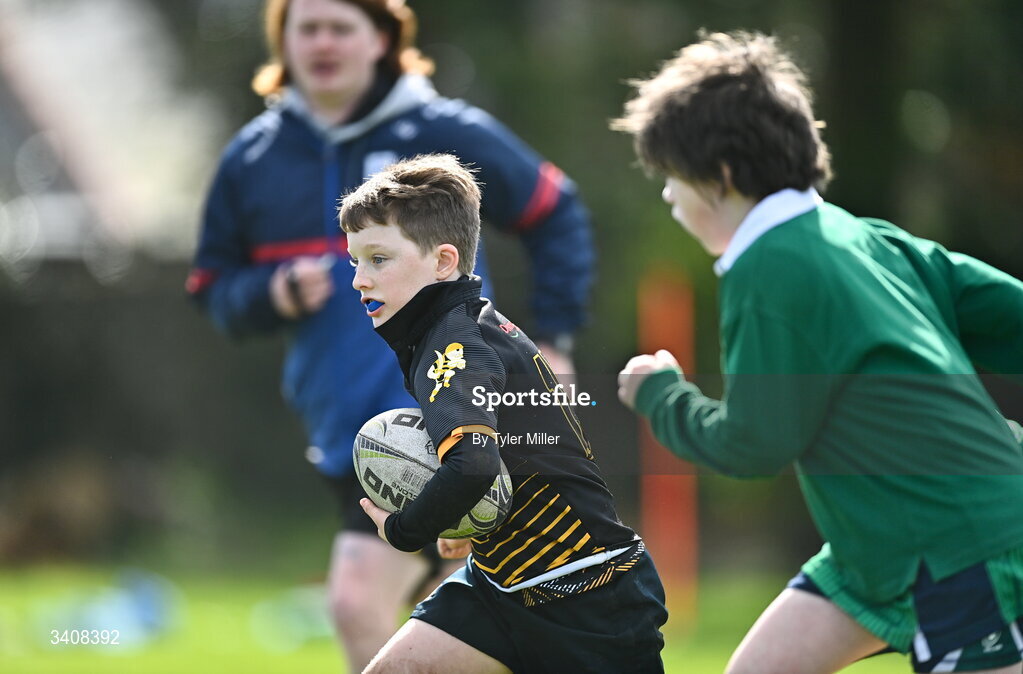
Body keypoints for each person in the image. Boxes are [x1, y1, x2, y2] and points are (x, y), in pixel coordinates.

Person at [185, 0, 594, 669]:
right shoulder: (254, 158)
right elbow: (210, 288)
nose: (322, 42)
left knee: (357, 601)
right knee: (462, 618)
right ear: (282, 42)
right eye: (305, 28)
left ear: (380, 38)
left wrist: (553, 340)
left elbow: (556, 211)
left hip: (442, 417)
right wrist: (271, 293)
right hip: (344, 430)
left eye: (339, 27)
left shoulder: (443, 130)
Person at [613, 30, 1023, 674]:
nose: (668, 197)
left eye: (671, 177)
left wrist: (663, 395)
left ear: (720, 176)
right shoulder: (861, 235)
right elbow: (1013, 315)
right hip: (876, 555)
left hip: (959, 544)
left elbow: (753, 444)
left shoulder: (769, 265)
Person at [340, 153, 668, 673]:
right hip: (498, 586)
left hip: (586, 595)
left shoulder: (455, 348)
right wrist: (462, 520)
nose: (359, 279)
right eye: (354, 260)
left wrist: (407, 529)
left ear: (444, 262)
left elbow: (473, 466)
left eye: (378, 259)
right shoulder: (462, 326)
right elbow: (517, 454)